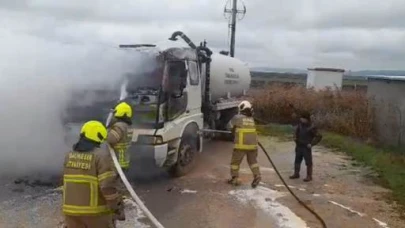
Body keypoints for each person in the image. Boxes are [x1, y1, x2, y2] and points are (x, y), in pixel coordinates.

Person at [62, 120, 124, 228]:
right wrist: (116, 206)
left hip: (70, 213)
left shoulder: (69, 156)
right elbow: (107, 186)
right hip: (96, 214)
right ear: (98, 138)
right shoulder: (101, 157)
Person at [227, 100, 262, 188]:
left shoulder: (237, 117)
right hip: (253, 145)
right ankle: (257, 175)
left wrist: (233, 131)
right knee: (253, 162)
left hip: (240, 145)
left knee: (235, 163)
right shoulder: (252, 119)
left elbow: (228, 127)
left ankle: (235, 178)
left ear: (241, 109)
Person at [289, 111, 323, 182]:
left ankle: (309, 176)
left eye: (303, 118)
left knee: (308, 162)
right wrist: (295, 138)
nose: (301, 119)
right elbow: (296, 133)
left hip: (306, 147)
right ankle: (296, 173)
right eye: (301, 118)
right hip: (299, 146)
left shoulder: (312, 127)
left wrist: (312, 144)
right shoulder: (300, 125)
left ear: (306, 119)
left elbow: (319, 136)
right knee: (297, 161)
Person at [107, 101, 134, 174]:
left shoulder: (119, 126)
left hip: (117, 161)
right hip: (124, 161)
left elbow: (111, 139)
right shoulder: (127, 126)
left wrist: (107, 131)